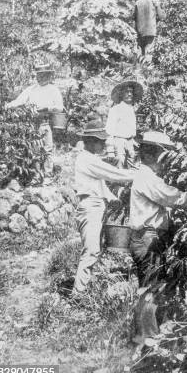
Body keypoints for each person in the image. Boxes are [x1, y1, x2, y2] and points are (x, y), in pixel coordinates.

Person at [129, 131, 187, 340]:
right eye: (164, 155)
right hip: (147, 238)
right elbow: (173, 197)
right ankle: (145, 340)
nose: (167, 161)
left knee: (154, 287)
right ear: (152, 154)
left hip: (150, 237)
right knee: (150, 289)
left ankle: (154, 336)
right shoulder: (146, 177)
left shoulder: (148, 176)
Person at [72, 120, 134, 296]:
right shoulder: (87, 159)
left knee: (96, 248)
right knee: (91, 251)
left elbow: (100, 184)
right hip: (90, 207)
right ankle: (78, 294)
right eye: (100, 141)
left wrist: (112, 198)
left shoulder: (91, 159)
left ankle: (85, 288)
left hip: (96, 205)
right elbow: (114, 174)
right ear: (90, 141)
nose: (103, 144)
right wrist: (137, 175)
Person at [7, 63, 64, 176]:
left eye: (43, 75)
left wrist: (47, 108)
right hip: (31, 125)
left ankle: (47, 173)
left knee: (47, 148)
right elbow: (19, 101)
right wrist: (7, 105)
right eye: (39, 75)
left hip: (44, 122)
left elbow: (60, 107)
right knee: (33, 149)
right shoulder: (31, 89)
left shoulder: (53, 90)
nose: (41, 77)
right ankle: (36, 174)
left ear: (48, 75)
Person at [105, 80, 144, 168]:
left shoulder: (132, 110)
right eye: (127, 92)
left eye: (131, 92)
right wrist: (110, 150)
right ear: (121, 94)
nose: (129, 94)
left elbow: (131, 130)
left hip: (130, 143)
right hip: (118, 142)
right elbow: (109, 130)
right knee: (119, 166)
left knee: (133, 167)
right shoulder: (115, 109)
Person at [134, 0, 165, 64]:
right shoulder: (154, 2)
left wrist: (135, 31)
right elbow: (162, 16)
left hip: (140, 31)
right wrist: (158, 6)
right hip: (150, 31)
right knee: (148, 52)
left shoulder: (138, 2)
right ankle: (146, 70)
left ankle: (138, 70)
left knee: (139, 52)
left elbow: (134, 18)